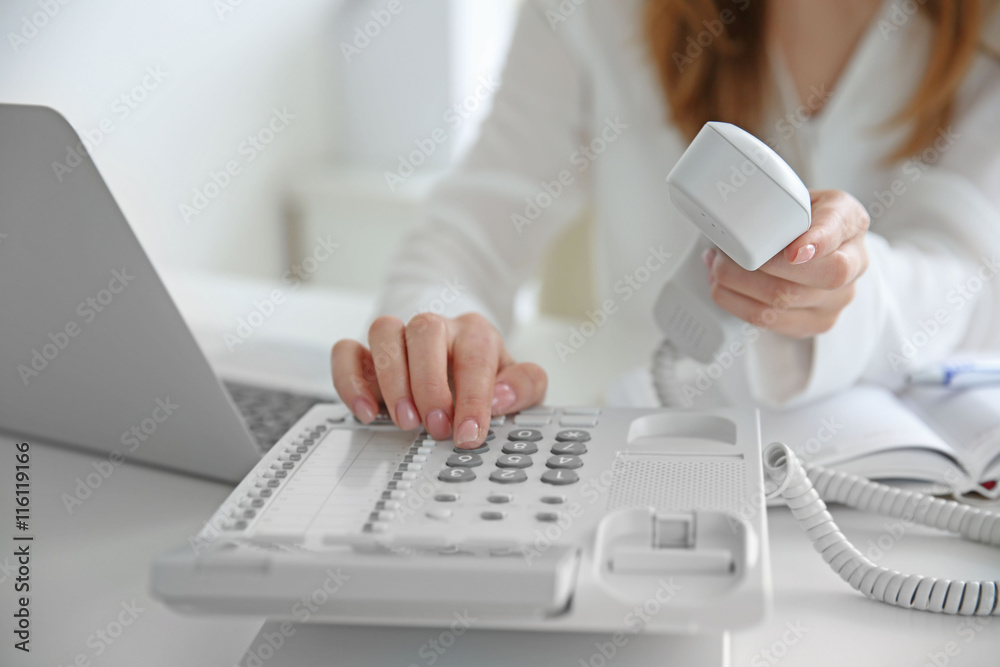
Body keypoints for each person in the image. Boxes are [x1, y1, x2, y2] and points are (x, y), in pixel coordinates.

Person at [331, 0, 1000, 449]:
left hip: (907, 502)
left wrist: (846, 284)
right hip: (641, 462)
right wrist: (444, 341)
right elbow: (467, 233)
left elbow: (967, 276)